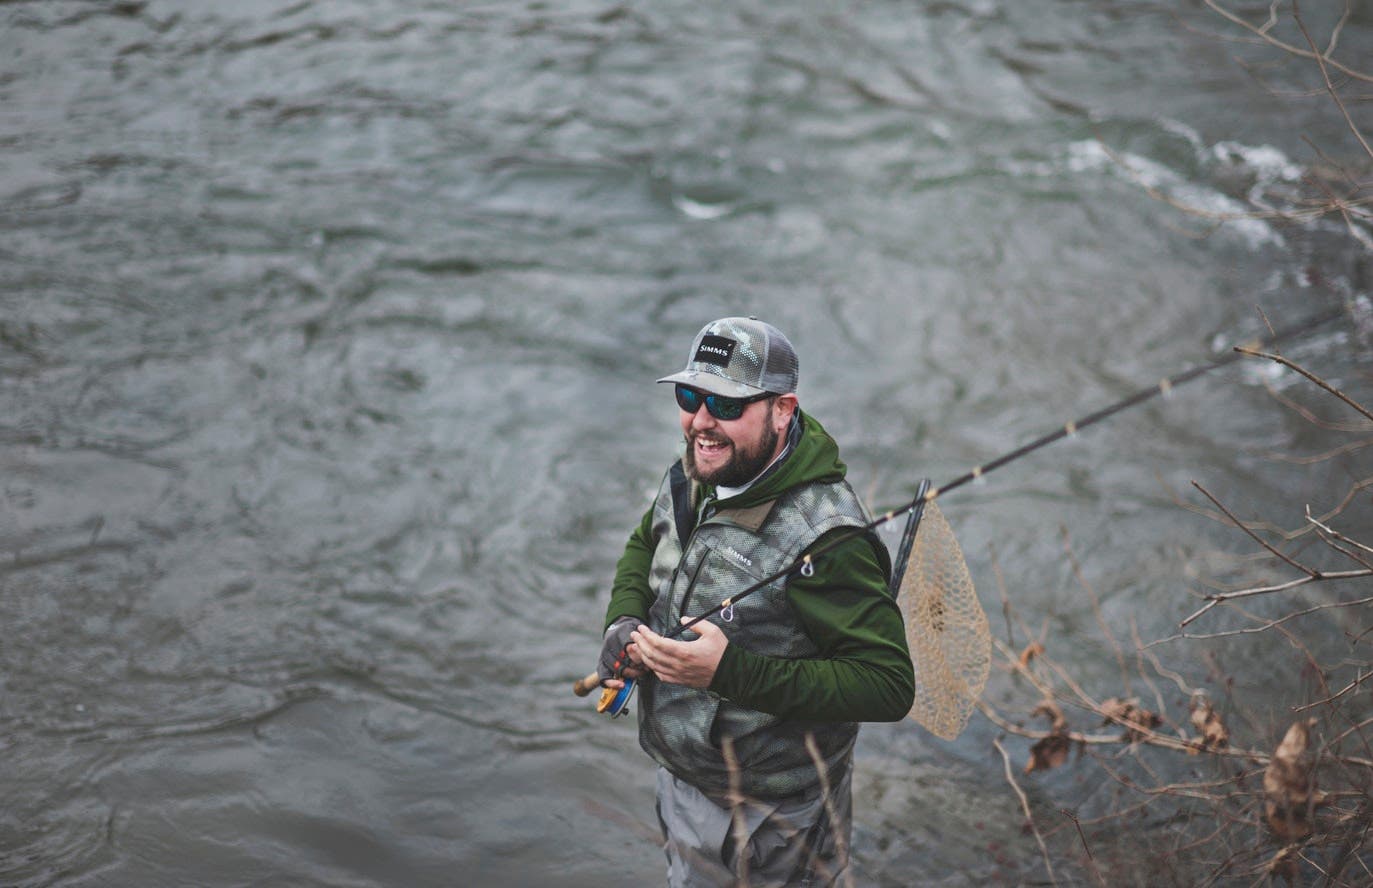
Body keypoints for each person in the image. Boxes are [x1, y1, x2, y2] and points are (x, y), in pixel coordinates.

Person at [596, 316, 915, 887]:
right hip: (685, 774)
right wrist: (623, 619)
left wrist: (729, 671)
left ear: (783, 409)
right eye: (690, 396)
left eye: (726, 404)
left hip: (774, 814)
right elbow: (647, 542)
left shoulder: (829, 539)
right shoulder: (701, 465)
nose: (701, 421)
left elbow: (888, 685)